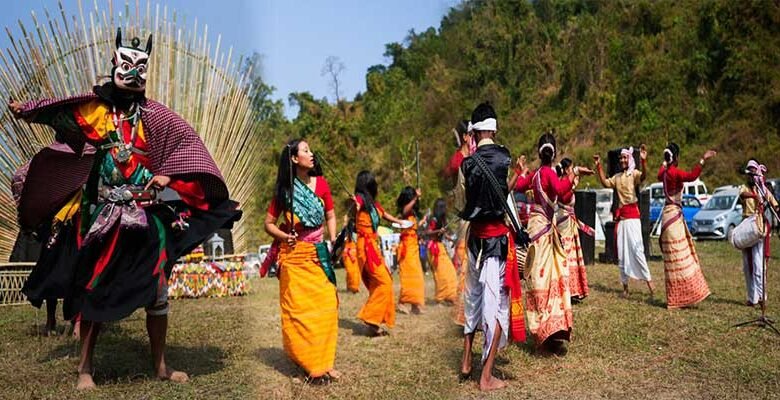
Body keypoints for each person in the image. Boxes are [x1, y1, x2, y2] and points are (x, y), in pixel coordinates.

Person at [13, 29, 241, 390]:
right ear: (114, 64)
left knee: (159, 288)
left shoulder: (158, 117)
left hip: (146, 214)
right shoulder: (95, 111)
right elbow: (62, 114)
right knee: (94, 286)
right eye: (127, 63)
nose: (134, 71)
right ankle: (85, 369)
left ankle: (161, 366)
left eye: (141, 65)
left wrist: (166, 175)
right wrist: (28, 110)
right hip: (104, 216)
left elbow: (186, 145)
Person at [459, 103, 524, 391]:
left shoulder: (467, 162)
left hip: (474, 239)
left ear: (474, 130)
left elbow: (465, 203)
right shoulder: (504, 156)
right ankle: (486, 377)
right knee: (498, 307)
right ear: (494, 128)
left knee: (473, 298)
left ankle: (465, 360)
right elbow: (500, 198)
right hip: (496, 242)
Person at [264, 139, 340, 384]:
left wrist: (332, 238)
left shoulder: (322, 185)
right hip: (294, 257)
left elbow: (330, 214)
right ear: (295, 159)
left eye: (310, 150)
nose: (311, 153)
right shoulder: (285, 191)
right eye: (305, 150)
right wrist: (286, 235)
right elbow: (268, 224)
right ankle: (307, 364)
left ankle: (325, 362)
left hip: (318, 254)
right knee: (299, 313)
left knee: (328, 306)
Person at [515, 132, 578, 355]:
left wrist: (519, 170)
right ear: (555, 153)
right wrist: (572, 175)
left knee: (539, 280)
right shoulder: (550, 173)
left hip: (536, 229)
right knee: (548, 280)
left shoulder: (534, 175)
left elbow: (518, 186)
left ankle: (548, 333)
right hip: (544, 233)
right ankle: (545, 336)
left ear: (539, 152)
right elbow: (561, 192)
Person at [657, 143, 716, 308]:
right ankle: (687, 295)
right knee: (682, 258)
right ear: (676, 157)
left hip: (666, 216)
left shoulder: (664, 172)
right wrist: (702, 160)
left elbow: (659, 174)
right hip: (674, 217)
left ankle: (674, 299)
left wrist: (664, 163)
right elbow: (692, 176)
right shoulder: (675, 172)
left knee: (671, 261)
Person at [594, 146, 655, 298]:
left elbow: (644, 177)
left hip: (633, 217)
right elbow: (604, 183)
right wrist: (598, 166)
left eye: (625, 158)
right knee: (622, 253)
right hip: (622, 219)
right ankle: (625, 288)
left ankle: (650, 282)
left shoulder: (634, 174)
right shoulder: (617, 177)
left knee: (637, 250)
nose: (622, 160)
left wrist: (643, 160)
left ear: (630, 159)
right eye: (621, 158)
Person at [353, 170, 406, 336]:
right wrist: (354, 204)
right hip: (365, 247)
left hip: (373, 246)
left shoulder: (373, 205)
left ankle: (373, 326)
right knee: (384, 282)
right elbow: (355, 205)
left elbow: (385, 215)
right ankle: (370, 317)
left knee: (382, 282)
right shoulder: (360, 200)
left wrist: (399, 222)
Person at [443, 120, 473, 325]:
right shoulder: (457, 160)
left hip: (473, 215)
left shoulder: (469, 158)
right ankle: (460, 314)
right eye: (472, 134)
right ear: (465, 137)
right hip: (463, 216)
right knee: (463, 263)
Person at [738, 159, 779, 307]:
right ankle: (752, 298)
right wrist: (755, 196)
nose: (750, 175)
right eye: (749, 172)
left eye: (753, 171)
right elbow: (743, 196)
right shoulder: (744, 187)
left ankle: (762, 297)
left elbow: (775, 204)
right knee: (747, 264)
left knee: (758, 263)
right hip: (746, 226)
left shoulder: (763, 188)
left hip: (759, 226)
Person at [554, 158, 594, 302]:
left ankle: (573, 289)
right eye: (570, 168)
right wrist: (573, 186)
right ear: (565, 170)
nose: (572, 171)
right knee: (567, 256)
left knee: (572, 256)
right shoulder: (563, 183)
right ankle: (568, 290)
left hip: (568, 223)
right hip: (564, 223)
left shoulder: (566, 181)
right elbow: (564, 197)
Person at [395, 186, 425, 314]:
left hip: (414, 246)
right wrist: (415, 197)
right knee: (408, 276)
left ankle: (415, 305)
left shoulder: (413, 213)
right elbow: (405, 211)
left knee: (417, 276)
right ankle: (401, 302)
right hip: (406, 247)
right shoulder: (405, 211)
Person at [425, 198, 458, 305]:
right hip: (433, 248)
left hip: (440, 246)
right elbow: (428, 233)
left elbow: (443, 234)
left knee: (450, 272)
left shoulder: (441, 220)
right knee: (441, 274)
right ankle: (441, 297)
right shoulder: (434, 219)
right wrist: (439, 231)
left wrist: (451, 239)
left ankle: (450, 296)